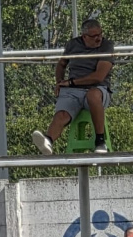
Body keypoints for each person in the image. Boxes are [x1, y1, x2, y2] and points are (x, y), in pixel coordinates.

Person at [31, 19, 115, 156]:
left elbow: (99, 77)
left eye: (100, 34)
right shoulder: (73, 45)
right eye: (94, 36)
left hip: (97, 89)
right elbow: (61, 64)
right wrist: (59, 82)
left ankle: (100, 141)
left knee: (93, 95)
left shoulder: (106, 46)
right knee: (62, 114)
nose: (99, 38)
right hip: (73, 91)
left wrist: (71, 82)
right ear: (84, 36)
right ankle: (48, 141)